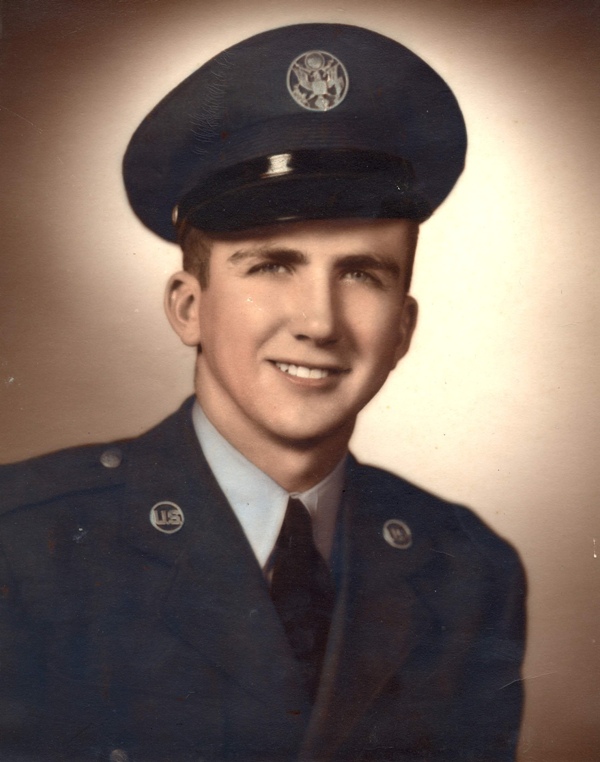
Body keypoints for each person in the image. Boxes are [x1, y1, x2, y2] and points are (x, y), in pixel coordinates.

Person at [0, 22, 526, 762]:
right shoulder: (26, 546)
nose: (319, 322)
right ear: (189, 307)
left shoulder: (468, 571)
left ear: (403, 329)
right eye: (273, 266)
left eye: (362, 274)